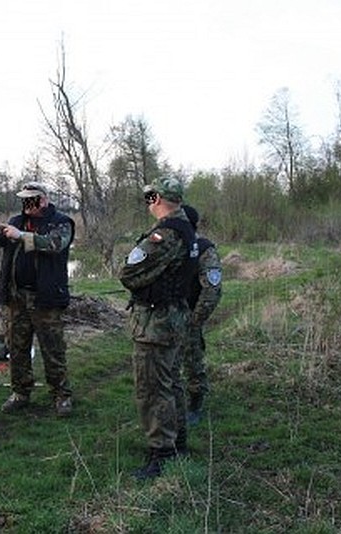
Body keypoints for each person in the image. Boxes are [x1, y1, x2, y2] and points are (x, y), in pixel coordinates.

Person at [118, 175, 199, 480]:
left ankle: (161, 453)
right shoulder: (186, 228)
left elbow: (128, 273)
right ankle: (176, 444)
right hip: (173, 317)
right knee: (170, 383)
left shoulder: (166, 234)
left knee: (153, 389)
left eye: (150, 197)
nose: (148, 202)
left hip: (157, 322)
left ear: (160, 199)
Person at [0, 181, 75, 416]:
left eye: (31, 200)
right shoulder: (15, 221)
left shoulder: (61, 222)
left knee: (53, 348)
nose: (26, 205)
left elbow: (55, 244)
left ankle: (61, 395)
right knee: (17, 348)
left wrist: (22, 236)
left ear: (43, 200)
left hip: (46, 299)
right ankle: (20, 392)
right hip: (17, 298)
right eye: (23, 200)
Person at [181, 205, 222, 426]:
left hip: (189, 314)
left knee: (192, 360)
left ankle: (195, 402)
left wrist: (196, 320)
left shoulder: (204, 249)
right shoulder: (169, 245)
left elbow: (212, 290)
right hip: (165, 314)